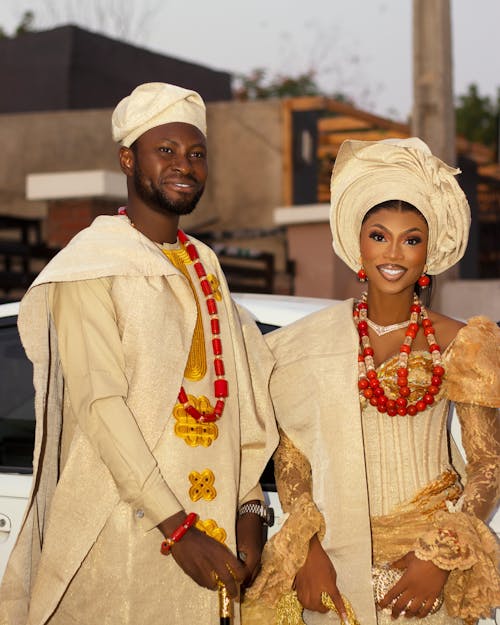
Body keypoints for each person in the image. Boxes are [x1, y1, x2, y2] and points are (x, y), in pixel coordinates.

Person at [0, 82, 278, 625]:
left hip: (213, 541)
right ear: (128, 158)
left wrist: (249, 506)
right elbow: (101, 406)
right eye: (166, 151)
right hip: (127, 530)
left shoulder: (204, 264)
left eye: (197, 154)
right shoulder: (93, 265)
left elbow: (237, 397)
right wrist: (176, 529)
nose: (185, 165)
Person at [243, 137, 500, 625]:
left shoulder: (464, 342)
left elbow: (488, 463)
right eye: (380, 236)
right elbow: (292, 449)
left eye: (412, 238)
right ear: (358, 245)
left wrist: (438, 558)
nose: (395, 253)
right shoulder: (307, 342)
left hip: (420, 571)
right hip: (332, 565)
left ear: (429, 251)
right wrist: (308, 548)